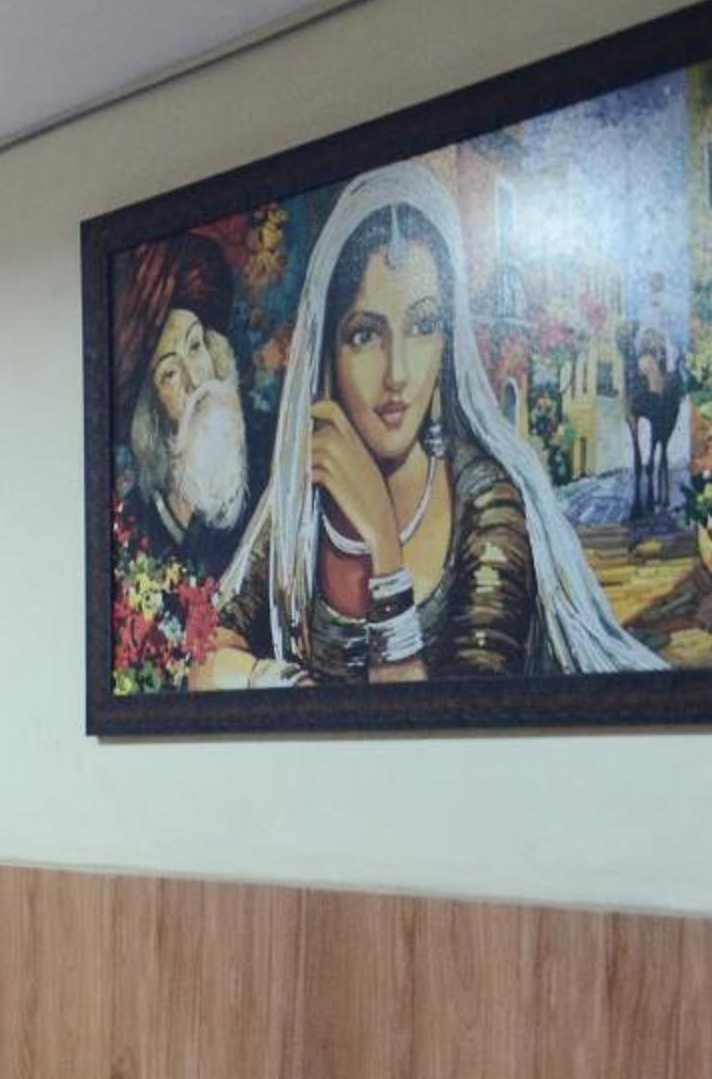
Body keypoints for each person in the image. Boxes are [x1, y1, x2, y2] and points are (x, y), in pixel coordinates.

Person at [191, 162, 663, 689]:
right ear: (328, 355)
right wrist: (295, 690)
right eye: (365, 335)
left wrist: (384, 543)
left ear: (446, 343)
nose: (398, 373)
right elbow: (207, 658)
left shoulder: (487, 504)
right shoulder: (305, 501)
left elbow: (453, 722)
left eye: (421, 327)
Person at [113, 232, 253, 579]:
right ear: (151, 411)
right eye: (170, 373)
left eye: (195, 346)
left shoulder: (271, 457)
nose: (195, 380)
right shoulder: (137, 521)